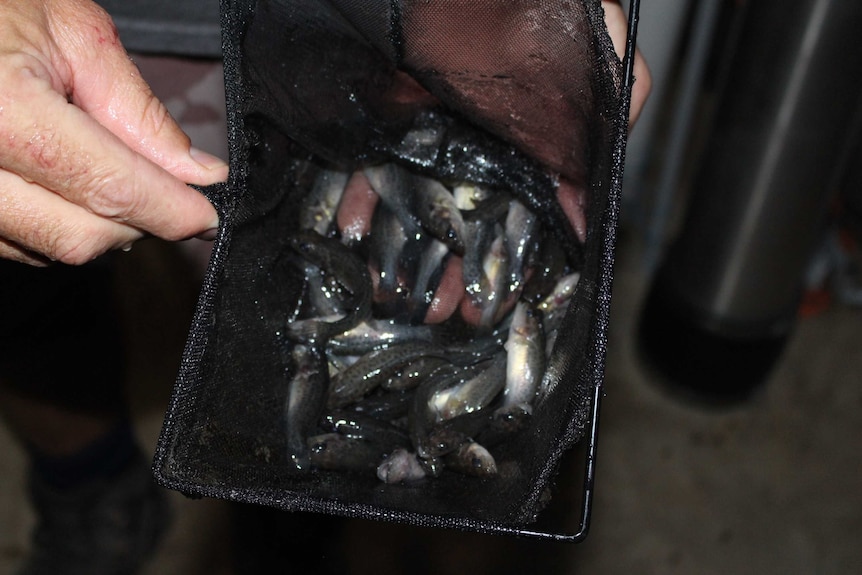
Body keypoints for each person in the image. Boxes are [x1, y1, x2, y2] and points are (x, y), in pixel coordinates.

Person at [0, 0, 650, 574]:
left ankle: (284, 517)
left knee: (252, 308)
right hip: (94, 37)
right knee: (30, 289)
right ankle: (92, 488)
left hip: (361, 30)